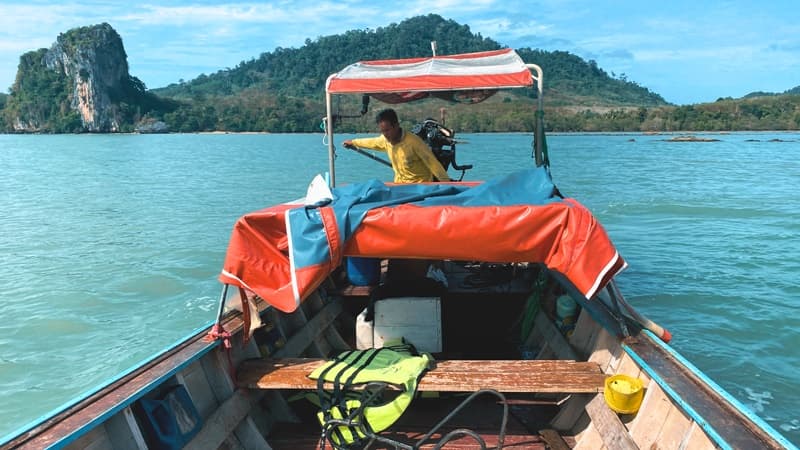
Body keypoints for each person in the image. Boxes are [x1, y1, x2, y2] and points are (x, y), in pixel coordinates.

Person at [343, 108, 451, 183]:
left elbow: (434, 165)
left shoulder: (414, 142)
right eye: (382, 131)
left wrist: (448, 185)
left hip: (420, 186)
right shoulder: (385, 140)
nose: (385, 134)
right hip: (399, 185)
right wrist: (353, 142)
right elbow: (371, 142)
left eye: (387, 130)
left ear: (396, 125)